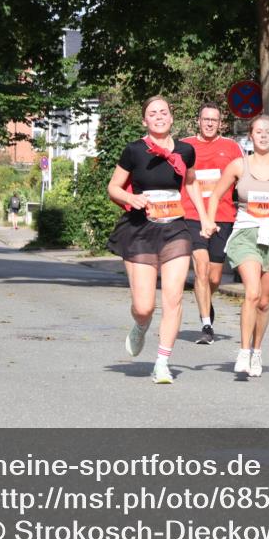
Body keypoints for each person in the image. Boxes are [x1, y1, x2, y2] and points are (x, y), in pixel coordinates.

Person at [106, 96, 211, 385]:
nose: (159, 117)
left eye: (163, 112)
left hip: (174, 229)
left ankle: (162, 362)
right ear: (145, 120)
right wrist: (131, 197)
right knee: (144, 306)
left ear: (171, 117)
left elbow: (190, 183)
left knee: (174, 297)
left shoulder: (186, 150)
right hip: (141, 229)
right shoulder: (134, 151)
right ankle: (141, 325)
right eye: (153, 113)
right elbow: (113, 187)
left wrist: (204, 218)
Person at [205, 114, 269, 377]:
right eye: (258, 131)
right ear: (250, 136)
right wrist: (210, 220)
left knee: (265, 302)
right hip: (246, 233)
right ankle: (243, 352)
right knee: (252, 293)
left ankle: (257, 351)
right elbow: (216, 195)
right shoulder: (238, 165)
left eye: (268, 131)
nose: (264, 135)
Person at [181, 102, 241, 344]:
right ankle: (207, 324)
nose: (209, 123)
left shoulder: (232, 147)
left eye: (213, 120)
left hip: (223, 216)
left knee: (215, 277)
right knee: (202, 269)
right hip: (192, 214)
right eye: (205, 119)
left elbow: (243, 178)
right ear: (198, 121)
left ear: (220, 123)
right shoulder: (185, 146)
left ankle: (206, 301)